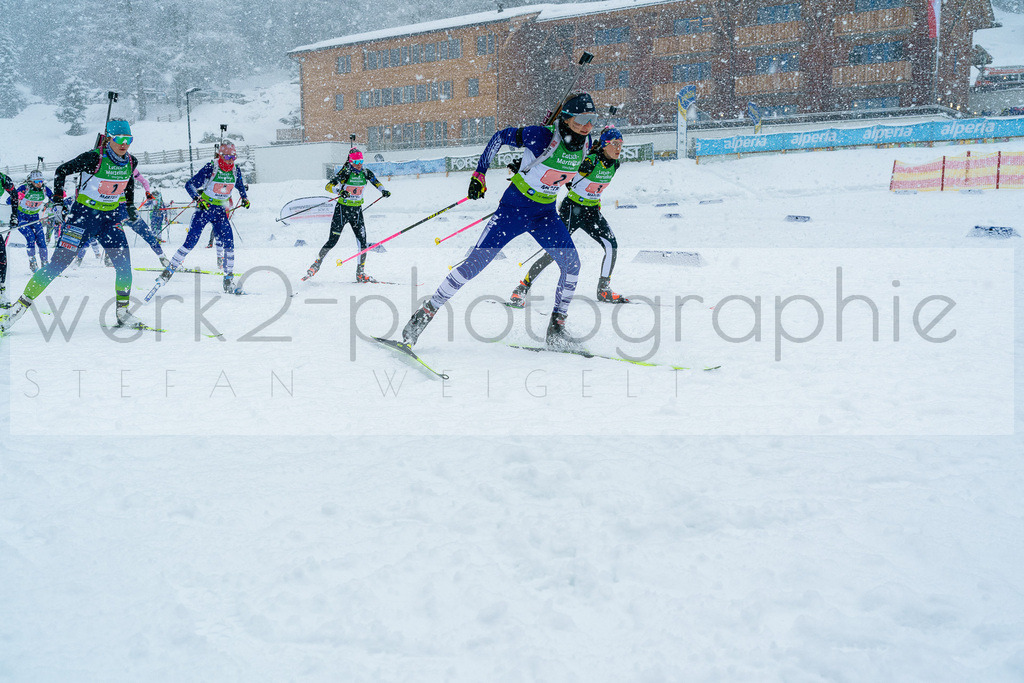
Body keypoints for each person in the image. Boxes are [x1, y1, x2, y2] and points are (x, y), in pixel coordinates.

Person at [402, 92, 598, 349]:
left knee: (572, 264)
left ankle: (556, 329)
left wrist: (532, 165)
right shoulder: (540, 135)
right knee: (474, 264)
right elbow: (499, 137)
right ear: (567, 117)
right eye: (581, 119)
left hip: (545, 215)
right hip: (514, 210)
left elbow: (561, 170)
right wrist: (480, 173)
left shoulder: (586, 141)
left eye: (592, 119)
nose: (586, 126)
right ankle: (424, 314)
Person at [1, 119, 147, 331]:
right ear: (109, 139)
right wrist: (59, 202)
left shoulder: (131, 161)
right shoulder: (93, 158)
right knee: (57, 265)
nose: (125, 144)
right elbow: (61, 171)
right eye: (120, 139)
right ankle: (17, 310)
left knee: (124, 267)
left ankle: (122, 312)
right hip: (83, 218)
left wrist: (131, 205)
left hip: (110, 220)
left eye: (129, 140)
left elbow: (129, 181)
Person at [507, 125, 629, 307]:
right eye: (614, 144)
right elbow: (560, 166)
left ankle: (604, 288)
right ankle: (523, 287)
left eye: (621, 144)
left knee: (612, 245)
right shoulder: (589, 161)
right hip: (573, 209)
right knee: (556, 252)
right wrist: (525, 166)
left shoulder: (615, 165)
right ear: (604, 145)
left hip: (592, 212)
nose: (618, 148)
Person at [157, 141, 250, 293]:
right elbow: (190, 184)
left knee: (229, 244)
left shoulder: (235, 170)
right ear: (220, 155)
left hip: (220, 211)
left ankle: (228, 280)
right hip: (204, 209)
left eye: (233, 157)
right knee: (190, 242)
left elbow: (239, 185)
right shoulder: (211, 167)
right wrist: (198, 199)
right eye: (226, 157)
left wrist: (245, 198)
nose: (230, 160)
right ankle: (168, 271)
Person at [303, 148, 390, 282]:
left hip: (356, 212)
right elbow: (328, 186)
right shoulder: (345, 172)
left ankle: (360, 274)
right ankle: (316, 265)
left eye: (361, 161)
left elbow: (376, 181)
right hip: (342, 211)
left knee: (362, 243)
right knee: (332, 241)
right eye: (356, 162)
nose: (359, 164)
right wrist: (339, 191)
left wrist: (383, 191)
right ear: (350, 162)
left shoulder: (365, 172)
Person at [117, 167, 170, 267]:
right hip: (125, 208)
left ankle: (162, 256)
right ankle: (161, 255)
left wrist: (148, 192)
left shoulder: (125, 167)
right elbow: (144, 181)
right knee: (147, 234)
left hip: (116, 208)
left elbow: (144, 181)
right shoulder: (128, 167)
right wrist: (147, 192)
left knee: (113, 234)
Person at [6, 171, 52, 272]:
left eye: (41, 181)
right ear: (31, 181)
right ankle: (33, 262)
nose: (39, 183)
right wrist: (17, 197)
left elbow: (54, 198)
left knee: (41, 240)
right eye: (36, 181)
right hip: (21, 217)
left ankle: (45, 264)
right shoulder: (24, 189)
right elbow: (8, 201)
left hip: (34, 218)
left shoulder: (44, 189)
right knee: (30, 237)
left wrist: (58, 203)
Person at [0, 170, 20, 308]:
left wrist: (14, 215)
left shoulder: (2, 179)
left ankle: (1, 290)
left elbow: (14, 195)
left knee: (1, 255)